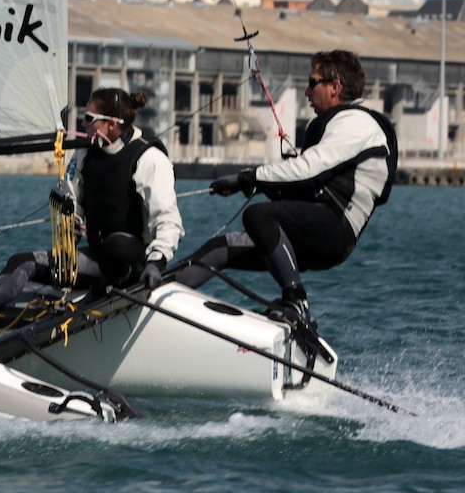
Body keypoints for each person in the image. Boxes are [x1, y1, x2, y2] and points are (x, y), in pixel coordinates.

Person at [168, 49, 396, 330]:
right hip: (312, 223)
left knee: (258, 216)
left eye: (312, 83)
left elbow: (309, 170)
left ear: (335, 87)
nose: (306, 92)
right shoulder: (339, 124)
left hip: (336, 229)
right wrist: (256, 185)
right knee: (221, 248)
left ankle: (296, 301)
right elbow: (305, 183)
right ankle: (159, 290)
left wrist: (246, 179)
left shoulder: (357, 123)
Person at [0, 88, 183, 311]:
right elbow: (70, 199)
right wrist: (72, 222)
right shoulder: (84, 153)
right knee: (22, 262)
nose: (82, 123)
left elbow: (169, 222)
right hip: (100, 259)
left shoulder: (149, 159)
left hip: (135, 262)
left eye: (89, 118)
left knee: (116, 245)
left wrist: (156, 262)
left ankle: (102, 292)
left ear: (112, 124)